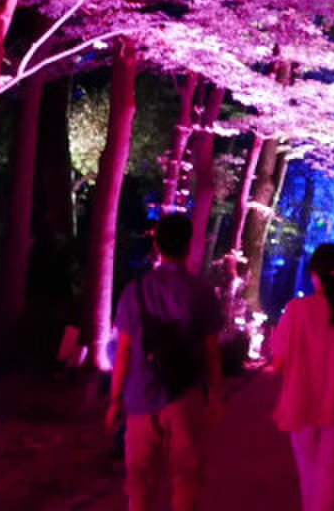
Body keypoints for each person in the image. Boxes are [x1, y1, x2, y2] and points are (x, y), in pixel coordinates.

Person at [106, 212, 225, 511]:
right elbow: (211, 349)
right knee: (185, 478)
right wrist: (215, 394)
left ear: (156, 245)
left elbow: (123, 351)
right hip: (185, 396)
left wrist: (115, 400)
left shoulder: (136, 291)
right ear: (189, 245)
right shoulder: (202, 292)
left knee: (139, 482)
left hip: (140, 397)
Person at [271, 242, 334, 511]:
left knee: (309, 475)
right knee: (332, 478)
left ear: (314, 274)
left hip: (301, 403)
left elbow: (278, 362)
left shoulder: (296, 311)